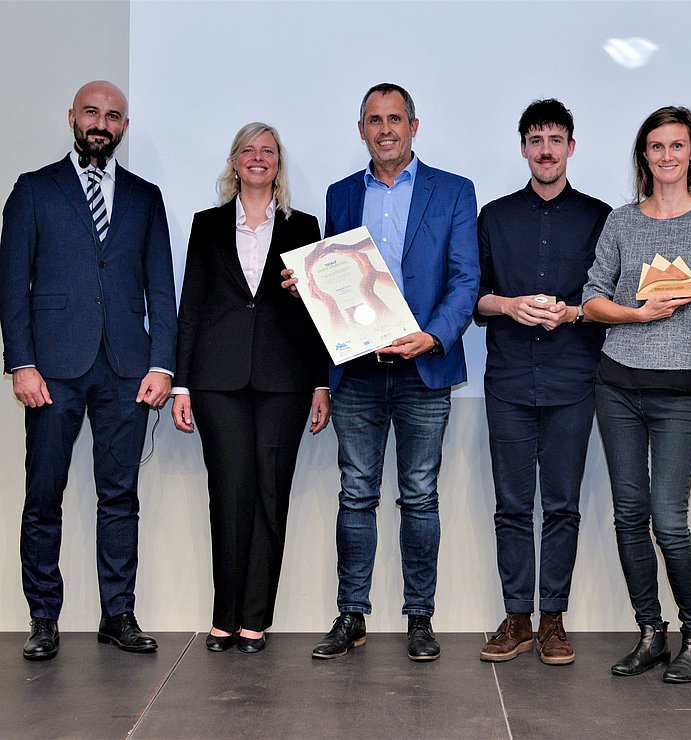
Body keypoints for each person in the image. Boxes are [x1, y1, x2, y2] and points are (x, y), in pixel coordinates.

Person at [284, 82, 479, 662]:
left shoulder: (454, 191)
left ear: (414, 127)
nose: (386, 129)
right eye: (375, 119)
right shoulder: (340, 194)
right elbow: (337, 278)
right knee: (356, 495)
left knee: (420, 497)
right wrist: (310, 288)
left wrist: (434, 335)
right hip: (359, 372)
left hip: (424, 367)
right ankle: (352, 615)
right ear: (361, 129)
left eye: (396, 119)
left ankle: (420, 618)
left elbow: (466, 279)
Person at [0, 81, 177, 660]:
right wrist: (21, 364)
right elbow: (12, 287)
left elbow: (161, 287)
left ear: (124, 127)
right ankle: (43, 618)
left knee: (120, 496)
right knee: (43, 494)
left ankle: (117, 613)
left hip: (128, 369)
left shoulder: (145, 197)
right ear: (72, 117)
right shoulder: (32, 190)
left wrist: (163, 364)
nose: (102, 123)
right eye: (92, 112)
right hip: (52, 370)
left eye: (114, 116)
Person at [582, 106, 691, 683]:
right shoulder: (622, 223)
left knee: (669, 521)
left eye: (678, 145)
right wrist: (638, 315)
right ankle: (651, 633)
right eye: (656, 146)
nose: (667, 156)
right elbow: (592, 298)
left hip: (682, 395)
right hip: (618, 386)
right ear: (643, 156)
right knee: (629, 516)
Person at [172, 123, 330, 654]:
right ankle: (224, 614)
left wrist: (320, 383)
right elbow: (191, 304)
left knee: (270, 494)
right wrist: (182, 385)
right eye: (248, 150)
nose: (258, 158)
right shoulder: (207, 225)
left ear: (278, 163)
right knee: (228, 492)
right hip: (217, 381)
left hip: (285, 381)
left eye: (267, 151)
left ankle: (255, 618)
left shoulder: (304, 226)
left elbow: (320, 315)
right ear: (234, 161)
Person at [476, 99, 611, 666]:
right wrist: (510, 305)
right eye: (535, 140)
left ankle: (553, 619)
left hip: (574, 379)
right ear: (523, 147)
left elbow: (612, 300)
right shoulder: (494, 216)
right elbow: (473, 301)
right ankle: (516, 619)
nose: (546, 150)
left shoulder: (601, 217)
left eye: (556, 139)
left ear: (571, 147)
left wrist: (574, 311)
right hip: (508, 379)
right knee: (510, 505)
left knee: (561, 505)